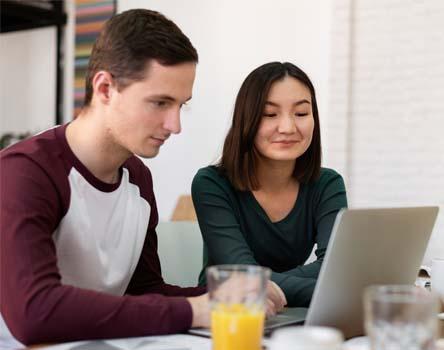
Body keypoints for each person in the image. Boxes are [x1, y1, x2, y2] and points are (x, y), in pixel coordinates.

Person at [0, 9, 211, 347]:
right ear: (105, 88)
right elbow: (33, 313)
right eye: (160, 103)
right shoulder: (23, 172)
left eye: (181, 105)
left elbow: (145, 293)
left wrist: (227, 297)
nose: (175, 125)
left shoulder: (138, 179)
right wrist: (192, 311)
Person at [192, 62, 348, 308]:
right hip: (228, 313)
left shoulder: (327, 184)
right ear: (247, 120)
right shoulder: (211, 184)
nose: (287, 127)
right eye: (269, 114)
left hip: (293, 312)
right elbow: (244, 278)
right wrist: (350, 291)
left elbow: (335, 266)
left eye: (301, 113)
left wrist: (265, 284)